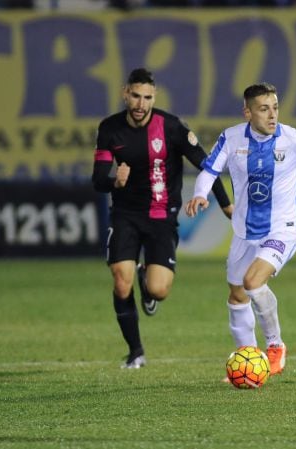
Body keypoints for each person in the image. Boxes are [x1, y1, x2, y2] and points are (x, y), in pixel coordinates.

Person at [185, 82, 296, 376]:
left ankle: (275, 345)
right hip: (245, 232)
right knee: (237, 296)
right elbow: (210, 170)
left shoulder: (294, 139)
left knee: (253, 281)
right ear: (247, 112)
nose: (272, 115)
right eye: (263, 109)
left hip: (283, 229)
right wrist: (199, 194)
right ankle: (249, 361)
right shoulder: (231, 138)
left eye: (275, 108)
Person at [92, 68, 233, 369]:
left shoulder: (171, 127)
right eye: (135, 96)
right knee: (120, 280)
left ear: (154, 97)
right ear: (124, 93)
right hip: (125, 214)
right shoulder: (109, 129)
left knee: (159, 290)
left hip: (161, 215)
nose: (141, 104)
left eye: (148, 98)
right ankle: (136, 352)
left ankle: (147, 280)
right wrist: (114, 180)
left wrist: (226, 204)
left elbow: (207, 165)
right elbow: (97, 179)